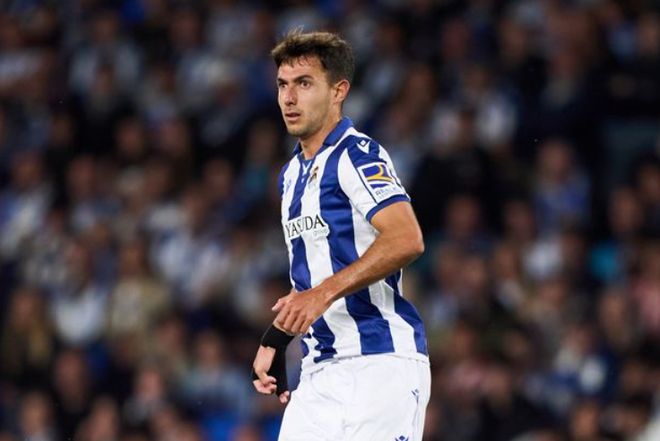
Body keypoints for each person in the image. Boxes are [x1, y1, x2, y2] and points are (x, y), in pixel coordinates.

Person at [251, 31, 430, 441]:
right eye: (282, 85)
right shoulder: (290, 176)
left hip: (379, 364)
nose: (289, 98)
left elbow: (407, 238)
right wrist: (276, 338)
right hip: (319, 372)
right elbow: (311, 278)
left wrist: (322, 294)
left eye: (304, 83)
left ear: (338, 91)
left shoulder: (357, 154)